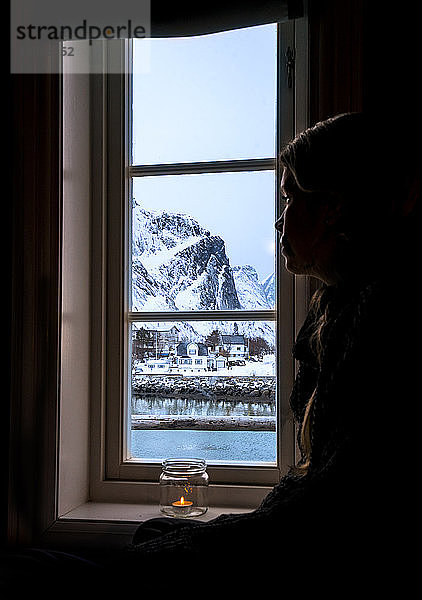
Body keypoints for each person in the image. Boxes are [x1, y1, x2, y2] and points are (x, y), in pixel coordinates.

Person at [2, 113, 420, 597]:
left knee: (29, 573)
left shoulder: (382, 316)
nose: (279, 219)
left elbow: (330, 509)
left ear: (331, 207)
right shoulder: (338, 304)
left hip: (319, 564)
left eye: (289, 198)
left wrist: (199, 545)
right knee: (150, 535)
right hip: (304, 549)